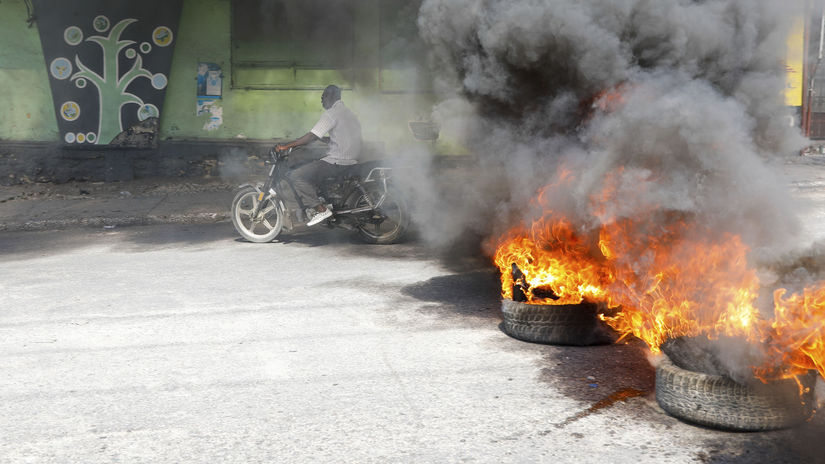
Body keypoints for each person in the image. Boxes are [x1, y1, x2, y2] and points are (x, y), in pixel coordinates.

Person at [275, 85, 363, 226]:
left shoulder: (331, 113)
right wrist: (327, 140)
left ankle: (320, 209)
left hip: (338, 161)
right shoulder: (350, 114)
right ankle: (325, 203)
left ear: (330, 96)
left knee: (296, 176)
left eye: (323, 97)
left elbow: (311, 136)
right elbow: (345, 136)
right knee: (316, 167)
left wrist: (287, 146)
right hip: (352, 160)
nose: (321, 100)